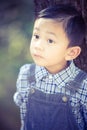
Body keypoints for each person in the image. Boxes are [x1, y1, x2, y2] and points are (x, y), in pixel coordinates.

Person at [13, 3, 87, 130]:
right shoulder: (26, 74)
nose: (37, 45)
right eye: (36, 36)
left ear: (71, 52)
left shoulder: (83, 86)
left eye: (50, 40)